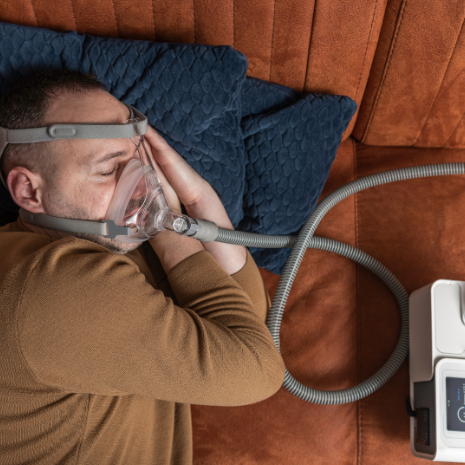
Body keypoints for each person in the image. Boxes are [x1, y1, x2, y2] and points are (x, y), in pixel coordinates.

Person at [0, 70, 285, 465]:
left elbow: (248, 326)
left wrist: (199, 199)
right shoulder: (50, 286)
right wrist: (166, 222)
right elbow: (255, 368)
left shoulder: (115, 244)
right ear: (29, 191)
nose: (142, 183)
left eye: (140, 158)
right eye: (107, 169)